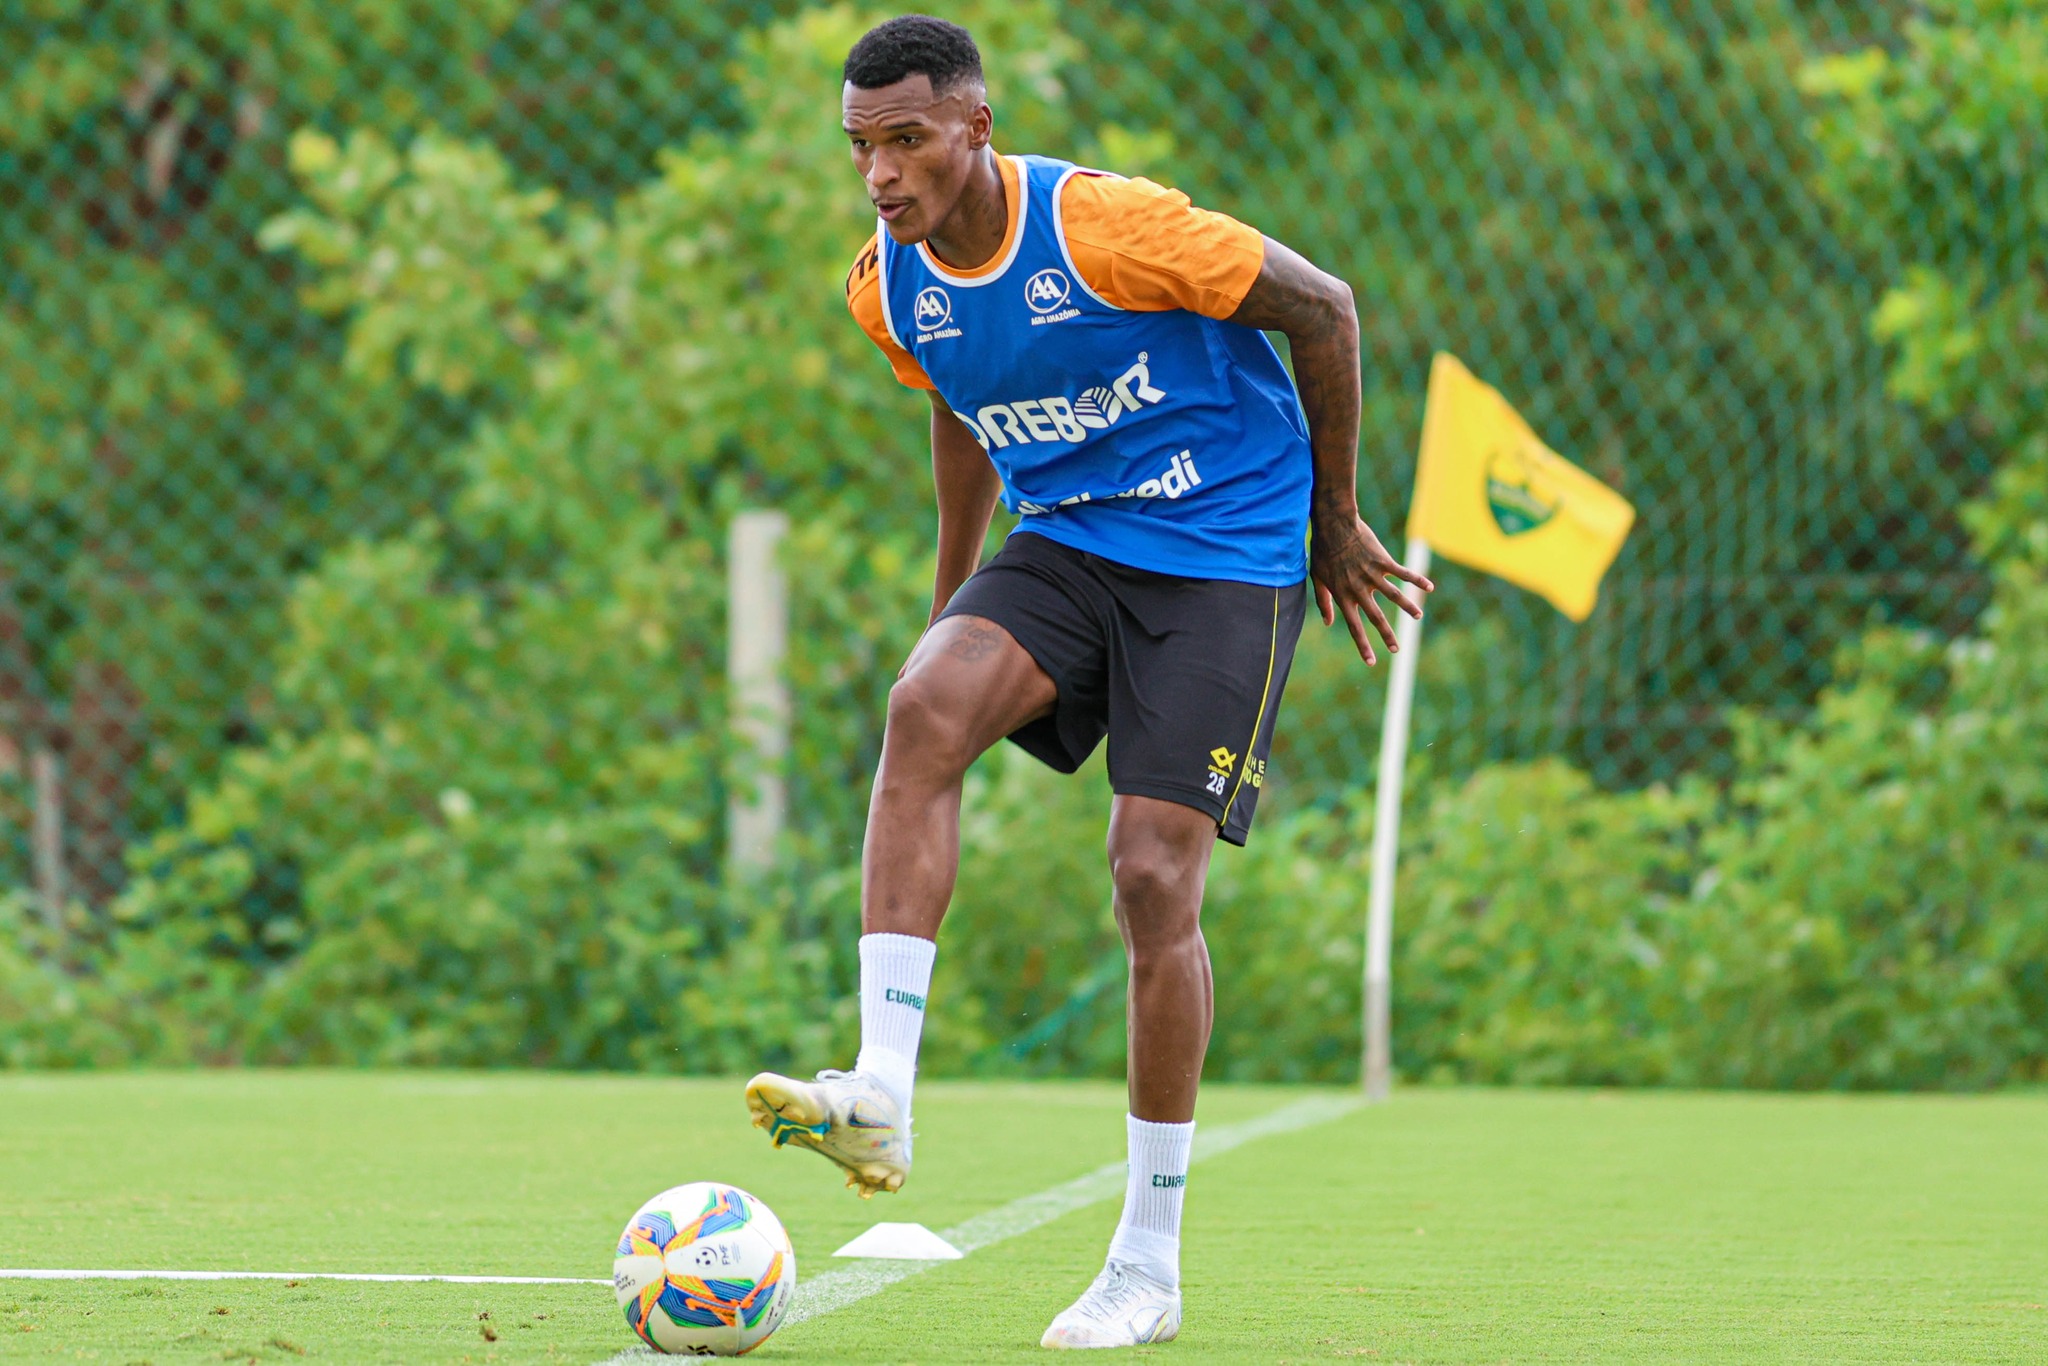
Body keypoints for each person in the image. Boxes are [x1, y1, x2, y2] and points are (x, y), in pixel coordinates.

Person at [745, 13, 1431, 1349]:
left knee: (1150, 877)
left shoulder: (1111, 229)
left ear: (977, 127)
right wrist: (949, 605)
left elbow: (1326, 307)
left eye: (908, 140)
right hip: (1067, 538)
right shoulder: (887, 283)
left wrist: (1334, 520)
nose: (883, 173)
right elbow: (956, 399)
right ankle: (880, 1083)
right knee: (922, 705)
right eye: (861, 148)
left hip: (1225, 548)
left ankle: (1148, 1259)